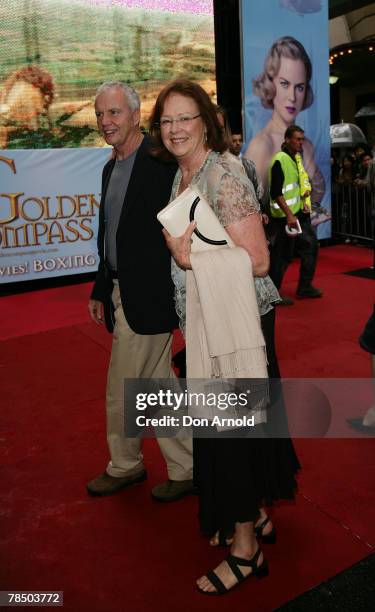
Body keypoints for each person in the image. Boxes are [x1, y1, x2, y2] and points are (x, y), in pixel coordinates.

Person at [150, 78, 299, 595]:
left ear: (207, 122)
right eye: (166, 121)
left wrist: (192, 260)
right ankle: (254, 515)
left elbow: (259, 262)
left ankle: (246, 549)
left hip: (238, 327)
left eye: (185, 118)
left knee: (230, 436)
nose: (175, 129)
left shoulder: (224, 175)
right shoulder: (184, 173)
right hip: (209, 321)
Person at [87, 81, 193, 501]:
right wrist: (101, 285)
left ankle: (126, 464)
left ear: (135, 114)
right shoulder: (110, 166)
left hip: (149, 295)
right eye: (99, 115)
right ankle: (187, 467)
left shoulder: (161, 162)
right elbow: (109, 235)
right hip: (119, 289)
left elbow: (183, 232)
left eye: (113, 113)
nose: (105, 122)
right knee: (157, 382)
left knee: (123, 383)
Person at [244, 36, 325, 212]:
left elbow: (314, 194)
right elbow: (250, 208)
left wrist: (310, 215)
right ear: (270, 84)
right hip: (277, 236)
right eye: (284, 84)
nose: (292, 97)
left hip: (301, 233)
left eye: (300, 87)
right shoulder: (261, 146)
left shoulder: (306, 145)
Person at [269, 124, 322, 298]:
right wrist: (290, 215)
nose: (301, 142)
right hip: (285, 218)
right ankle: (272, 294)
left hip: (298, 215)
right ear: (287, 139)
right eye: (297, 139)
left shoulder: (296, 158)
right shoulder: (280, 159)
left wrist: (305, 202)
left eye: (302, 139)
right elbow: (276, 192)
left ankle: (305, 287)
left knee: (311, 247)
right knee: (282, 256)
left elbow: (300, 185)